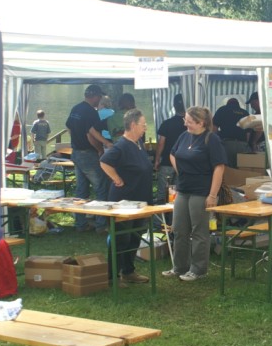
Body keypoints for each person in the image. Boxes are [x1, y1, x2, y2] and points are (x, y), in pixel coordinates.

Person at [163, 106, 227, 281]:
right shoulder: (184, 136)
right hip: (183, 189)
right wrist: (181, 170)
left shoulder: (211, 139)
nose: (185, 124)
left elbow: (219, 167)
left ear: (201, 123)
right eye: (185, 120)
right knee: (178, 229)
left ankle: (198, 269)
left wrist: (212, 195)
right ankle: (179, 267)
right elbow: (172, 154)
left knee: (199, 231)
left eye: (189, 121)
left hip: (201, 191)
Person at [100, 109, 153, 285]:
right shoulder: (121, 145)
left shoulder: (139, 144)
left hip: (140, 200)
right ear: (132, 125)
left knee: (135, 236)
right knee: (120, 238)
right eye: (143, 124)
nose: (145, 128)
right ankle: (112, 276)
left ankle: (128, 271)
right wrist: (116, 178)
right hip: (124, 200)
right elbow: (104, 161)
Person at [66, 84, 112, 233]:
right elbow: (91, 134)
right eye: (99, 97)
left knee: (81, 190)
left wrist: (76, 138)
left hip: (76, 152)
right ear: (95, 96)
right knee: (101, 187)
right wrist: (102, 148)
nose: (100, 100)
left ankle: (80, 224)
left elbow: (69, 127)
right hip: (88, 153)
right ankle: (101, 225)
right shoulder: (91, 112)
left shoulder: (76, 108)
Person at [154, 94, 186, 204]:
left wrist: (157, 160)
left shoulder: (167, 123)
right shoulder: (190, 125)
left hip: (167, 163)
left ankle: (160, 214)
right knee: (176, 194)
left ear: (174, 106)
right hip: (183, 164)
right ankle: (174, 214)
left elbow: (161, 143)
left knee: (162, 192)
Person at [212, 97, 251, 168]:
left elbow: (214, 128)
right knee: (242, 169)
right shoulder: (245, 113)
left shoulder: (222, 110)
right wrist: (246, 143)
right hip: (242, 145)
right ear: (238, 105)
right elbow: (248, 132)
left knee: (227, 169)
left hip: (227, 145)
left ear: (227, 104)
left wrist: (215, 143)